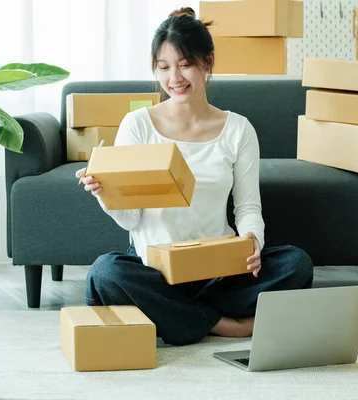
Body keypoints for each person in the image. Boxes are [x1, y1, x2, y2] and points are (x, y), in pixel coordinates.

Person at [75, 7, 314, 346]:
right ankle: (225, 325)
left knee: (296, 263)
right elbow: (131, 220)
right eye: (164, 67)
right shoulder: (138, 125)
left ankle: (176, 318)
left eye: (185, 64)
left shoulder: (238, 129)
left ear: (208, 62)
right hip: (155, 270)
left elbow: (247, 207)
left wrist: (252, 242)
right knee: (107, 273)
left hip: (218, 271)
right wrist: (106, 193)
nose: (175, 77)